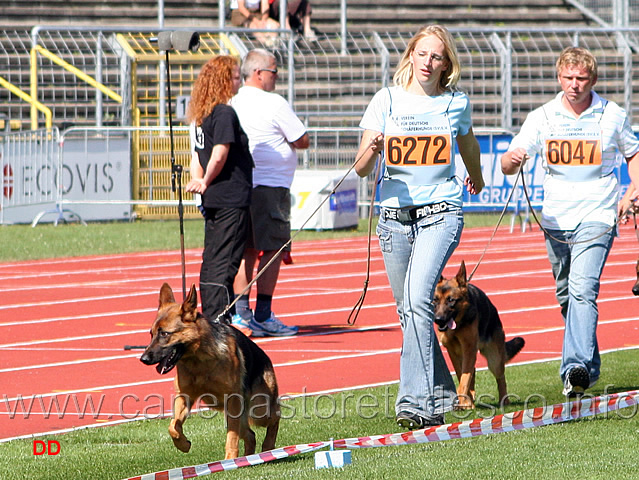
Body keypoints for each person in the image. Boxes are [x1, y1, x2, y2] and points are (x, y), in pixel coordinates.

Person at [354, 25, 485, 429]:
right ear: (411, 55)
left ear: (447, 65)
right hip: (394, 220)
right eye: (423, 54)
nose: (429, 63)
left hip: (440, 213)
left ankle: (414, 403)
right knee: (408, 311)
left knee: (417, 302)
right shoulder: (385, 100)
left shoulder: (454, 103)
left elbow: (469, 144)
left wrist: (476, 177)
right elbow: (360, 170)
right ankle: (444, 393)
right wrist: (372, 150)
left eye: (438, 57)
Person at [501, 47, 639, 397]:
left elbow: (633, 153)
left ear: (592, 80)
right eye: (568, 78)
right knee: (567, 295)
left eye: (581, 78)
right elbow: (508, 163)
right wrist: (512, 160)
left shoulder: (612, 115)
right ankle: (588, 368)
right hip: (556, 220)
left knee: (582, 289)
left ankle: (573, 366)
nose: (574, 85)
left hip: (598, 214)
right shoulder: (543, 116)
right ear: (559, 78)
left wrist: (635, 188)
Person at [230, 49, 309, 337]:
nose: (277, 77)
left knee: (246, 251)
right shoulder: (273, 102)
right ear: (259, 73)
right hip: (270, 187)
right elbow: (302, 139)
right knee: (274, 249)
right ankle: (261, 314)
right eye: (274, 71)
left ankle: (241, 314)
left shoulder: (234, 102)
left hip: (243, 185)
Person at [185, 55, 254, 323]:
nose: (239, 81)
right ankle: (218, 318)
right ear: (224, 81)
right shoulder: (224, 113)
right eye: (236, 76)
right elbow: (219, 153)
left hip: (215, 197)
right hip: (230, 196)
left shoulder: (201, 116)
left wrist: (202, 183)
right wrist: (205, 181)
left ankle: (214, 315)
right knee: (225, 261)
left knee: (213, 259)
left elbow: (196, 155)